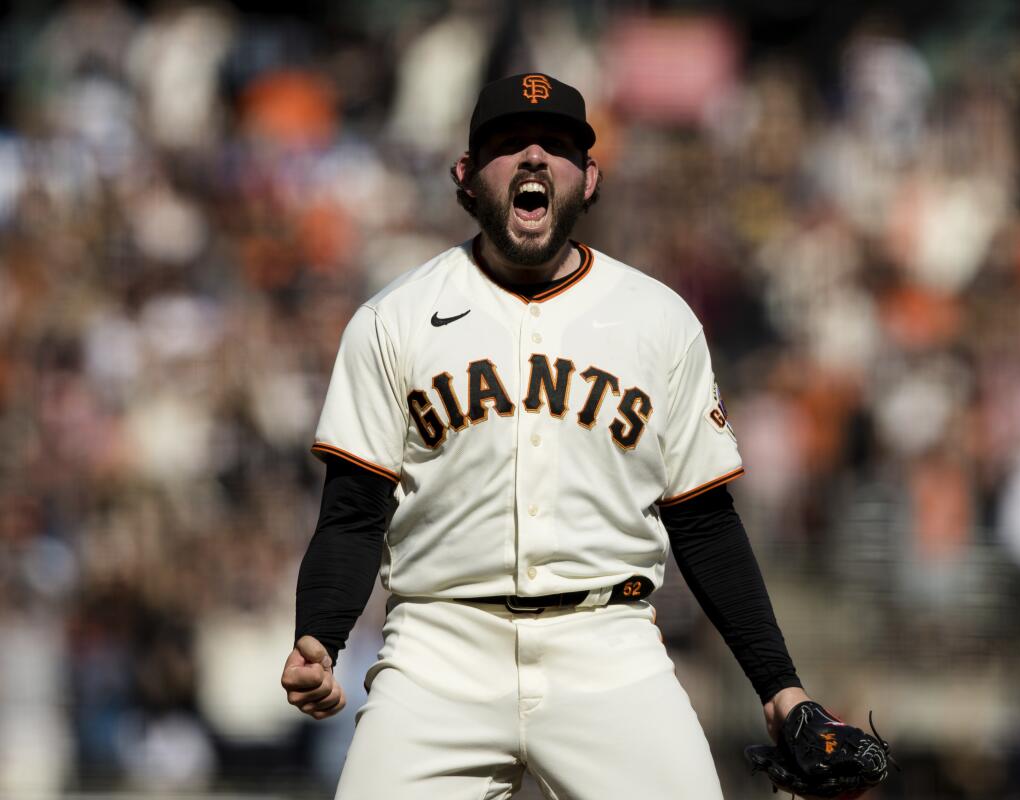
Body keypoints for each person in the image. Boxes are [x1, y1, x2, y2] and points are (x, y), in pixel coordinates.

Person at [280, 72, 814, 798]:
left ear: (588, 178)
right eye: (508, 144)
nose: (533, 158)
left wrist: (778, 683)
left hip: (609, 646)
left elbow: (704, 522)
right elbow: (352, 512)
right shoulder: (394, 319)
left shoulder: (658, 320)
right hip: (440, 651)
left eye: (557, 145)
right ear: (466, 177)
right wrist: (321, 634)